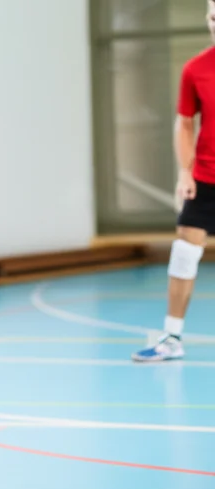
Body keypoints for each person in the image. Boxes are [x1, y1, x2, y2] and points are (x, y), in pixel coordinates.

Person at [132, 4, 215, 362]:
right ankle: (171, 338)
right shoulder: (195, 69)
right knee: (183, 255)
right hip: (207, 179)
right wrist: (185, 170)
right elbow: (184, 122)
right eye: (214, 19)